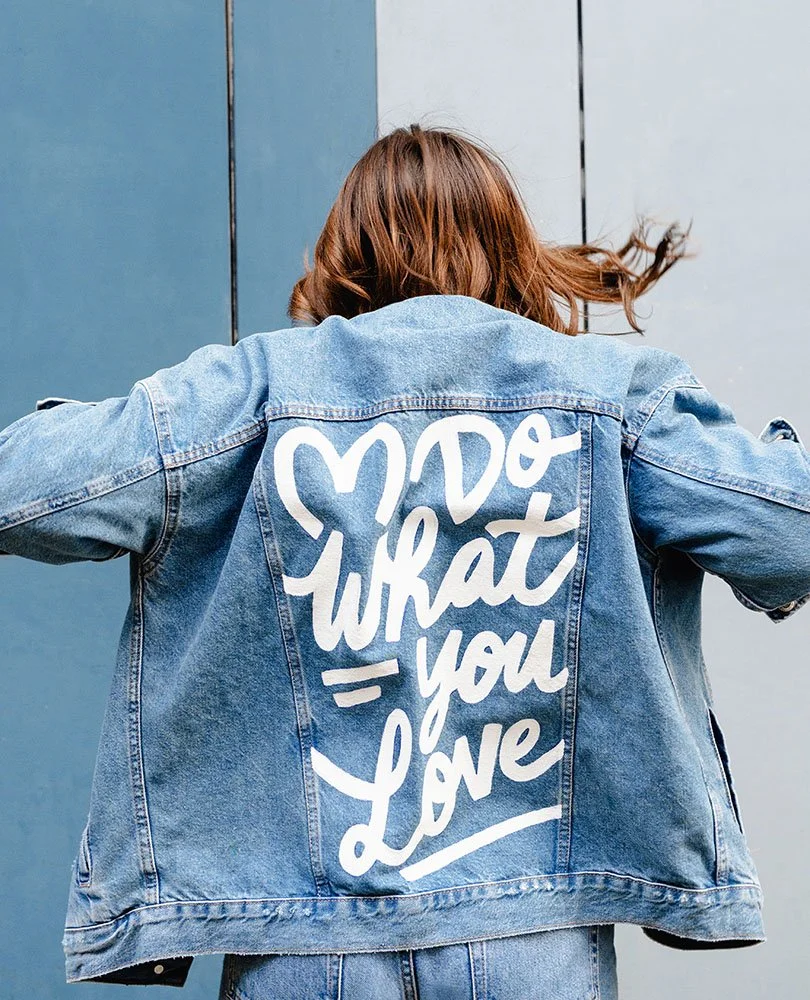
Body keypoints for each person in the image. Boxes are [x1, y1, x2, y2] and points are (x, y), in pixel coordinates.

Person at [1, 123, 807, 999]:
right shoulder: (612, 401)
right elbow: (789, 532)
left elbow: (24, 487)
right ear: (509, 249)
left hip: (301, 947)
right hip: (533, 941)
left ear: (347, 252)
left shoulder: (250, 394)